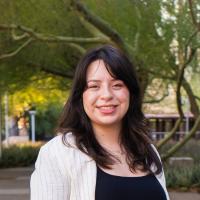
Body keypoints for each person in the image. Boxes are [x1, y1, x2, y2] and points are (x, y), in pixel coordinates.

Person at [30, 45, 169, 200]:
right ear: (80, 95)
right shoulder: (58, 153)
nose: (106, 95)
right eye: (94, 86)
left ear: (131, 92)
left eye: (117, 85)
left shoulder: (147, 151)